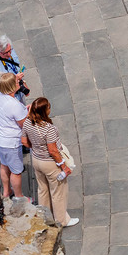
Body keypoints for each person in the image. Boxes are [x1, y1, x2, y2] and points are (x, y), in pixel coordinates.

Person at [20, 97, 77, 227]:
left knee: (42, 189)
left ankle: (45, 217)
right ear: (45, 111)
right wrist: (64, 166)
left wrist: (35, 148)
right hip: (50, 163)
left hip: (36, 160)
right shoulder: (49, 128)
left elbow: (24, 141)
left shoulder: (28, 123)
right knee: (58, 193)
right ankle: (61, 221)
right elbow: (53, 150)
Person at [0, 73, 29, 199]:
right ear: (11, 87)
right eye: (17, 83)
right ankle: (19, 197)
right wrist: (29, 112)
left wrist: (13, 77)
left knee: (4, 164)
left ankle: (6, 192)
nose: (19, 84)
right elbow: (24, 125)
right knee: (16, 171)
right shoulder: (14, 105)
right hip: (10, 142)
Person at [0, 36, 30, 100]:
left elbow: (17, 69)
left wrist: (23, 84)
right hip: (11, 99)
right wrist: (14, 80)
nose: (9, 54)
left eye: (10, 51)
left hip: (20, 93)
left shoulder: (9, 48)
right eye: (6, 53)